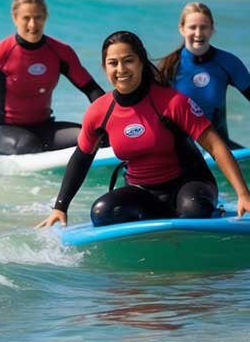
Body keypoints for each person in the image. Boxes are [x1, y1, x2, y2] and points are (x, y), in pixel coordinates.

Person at [38, 31, 250, 229]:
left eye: (128, 60)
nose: (121, 69)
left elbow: (216, 146)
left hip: (188, 183)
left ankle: (208, 212)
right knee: (103, 213)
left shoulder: (172, 102)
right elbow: (82, 157)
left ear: (141, 62)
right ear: (104, 68)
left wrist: (243, 194)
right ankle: (162, 220)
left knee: (194, 210)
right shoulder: (99, 111)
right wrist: (60, 207)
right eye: (113, 63)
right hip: (142, 191)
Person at [0, 0, 105, 155]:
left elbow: (91, 89)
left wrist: (109, 123)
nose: (33, 24)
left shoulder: (60, 52)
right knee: (29, 145)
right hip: (5, 131)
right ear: (15, 18)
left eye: (38, 17)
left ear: (45, 17)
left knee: (98, 138)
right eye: (26, 18)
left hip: (45, 128)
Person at [157, 2, 250, 148]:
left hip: (219, 151)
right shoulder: (168, 67)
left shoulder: (228, 63)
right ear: (182, 29)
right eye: (192, 27)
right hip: (179, 153)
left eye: (204, 27)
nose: (199, 33)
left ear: (212, 29)